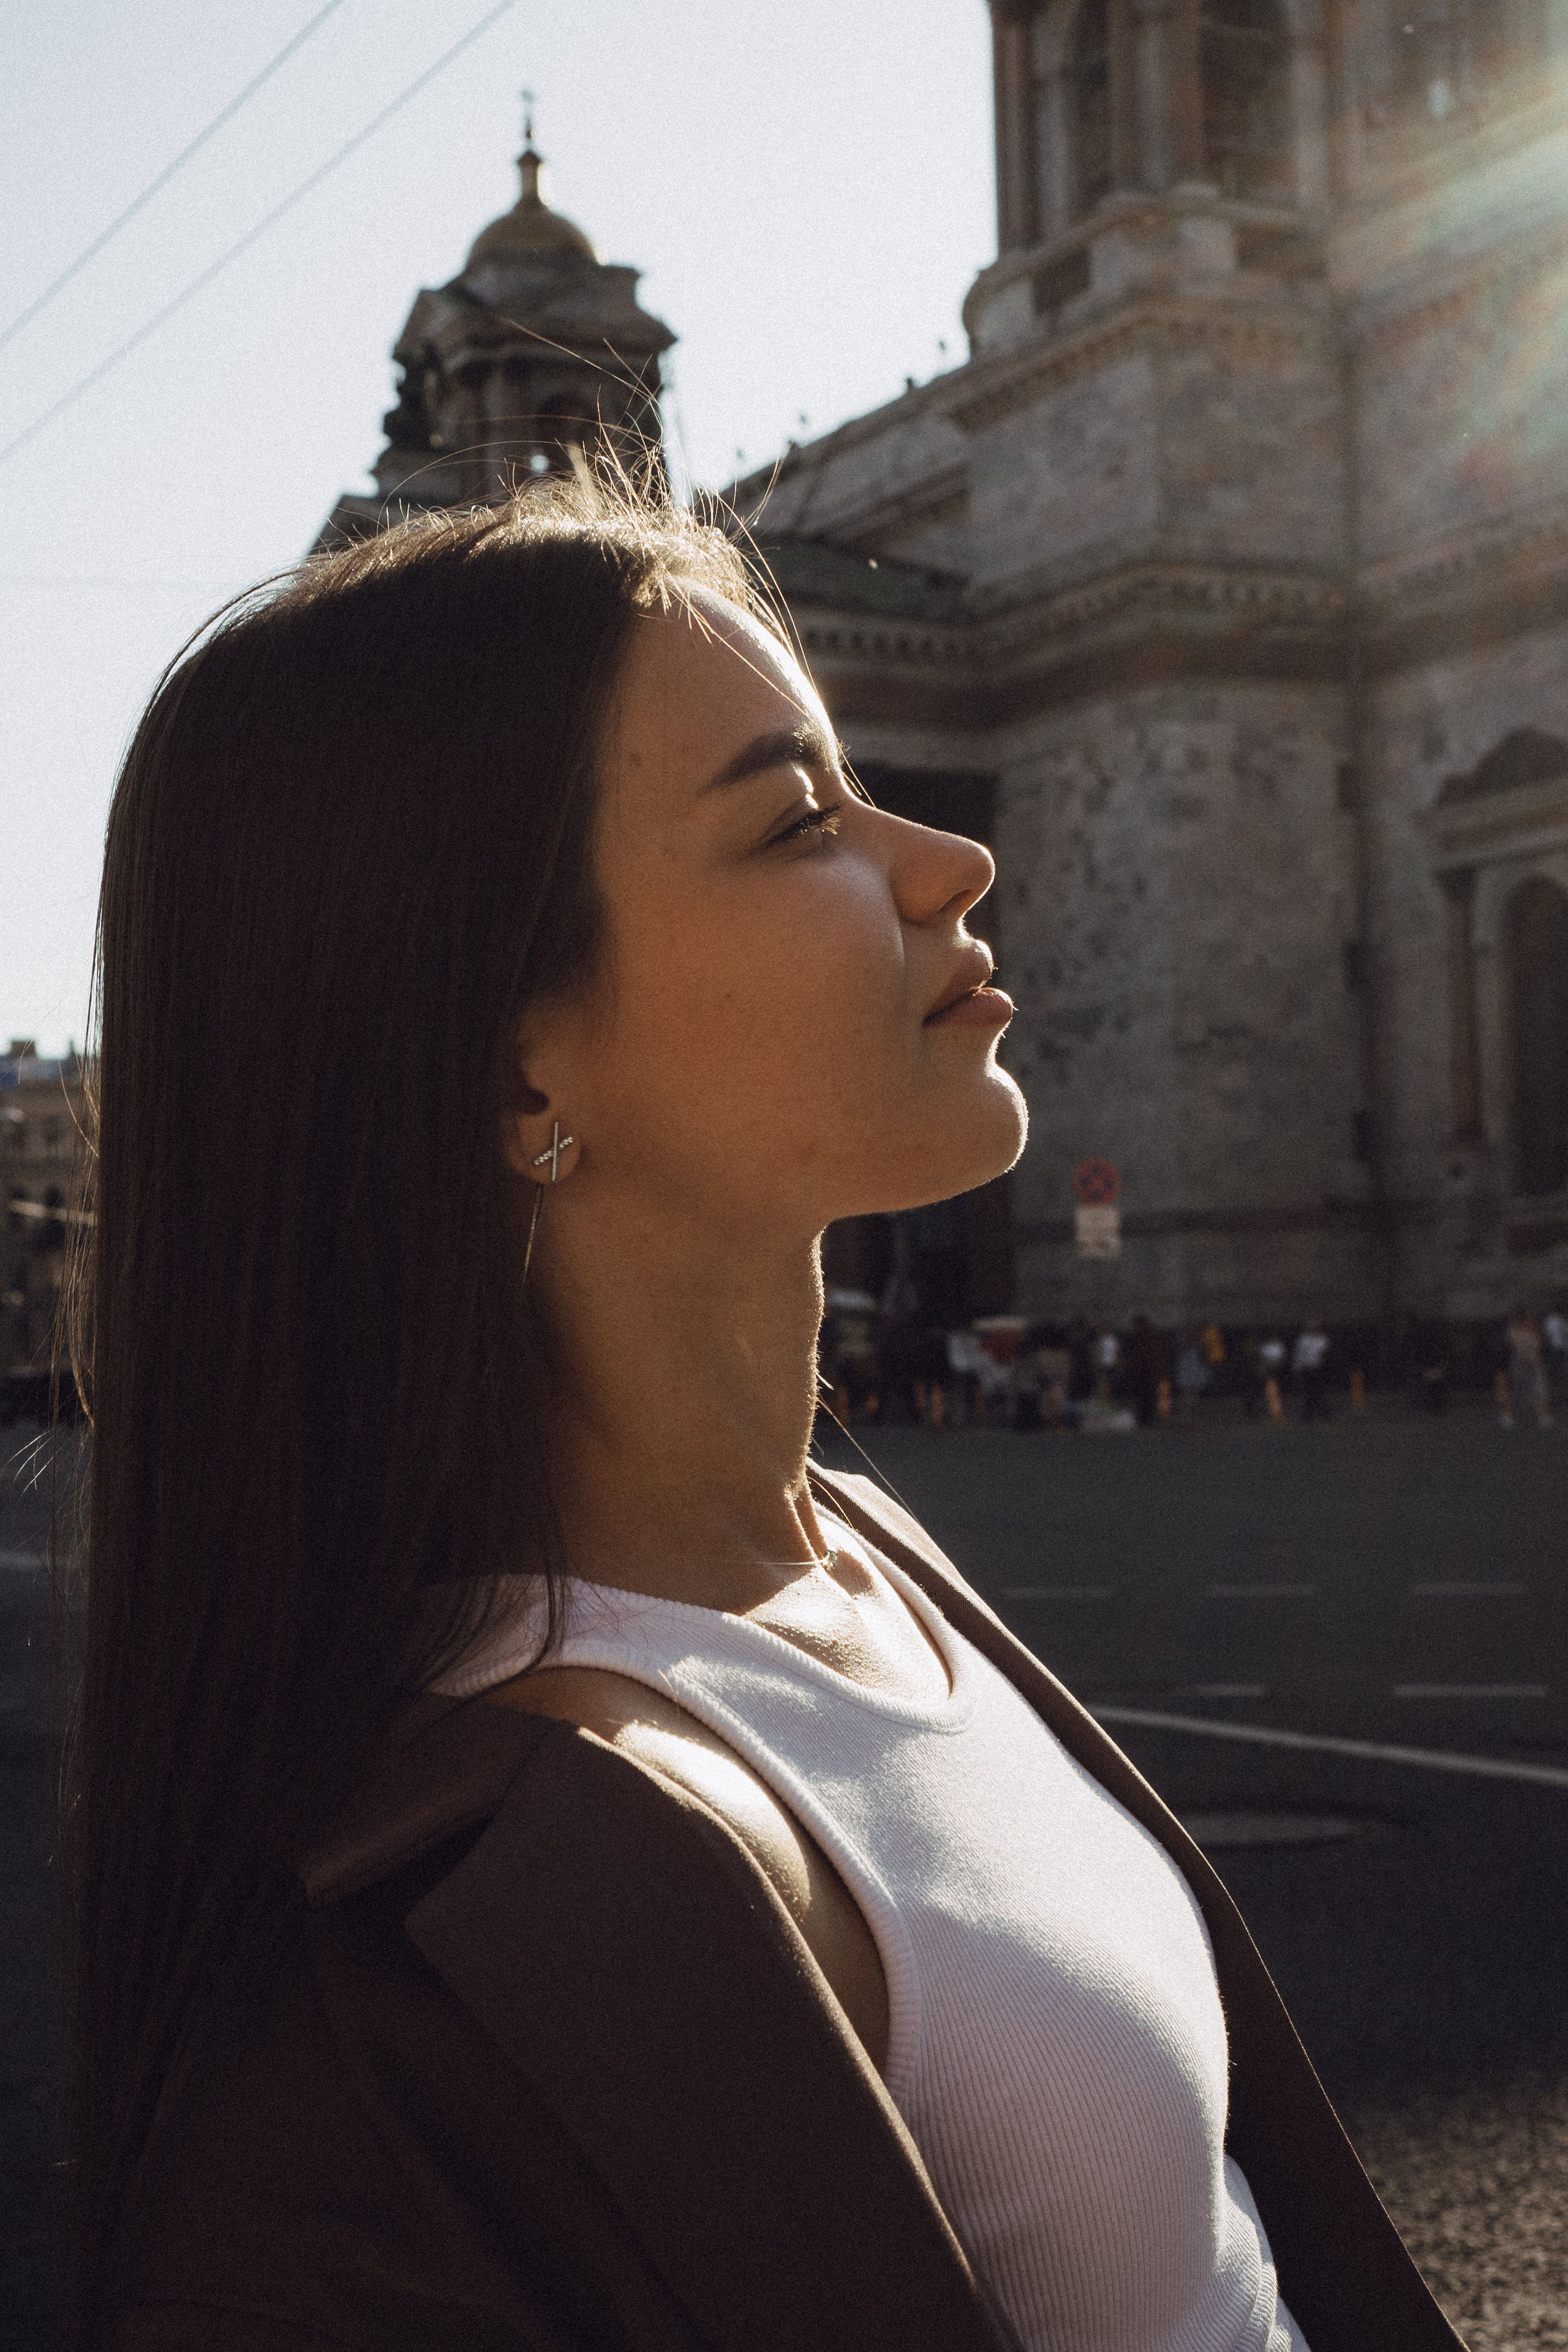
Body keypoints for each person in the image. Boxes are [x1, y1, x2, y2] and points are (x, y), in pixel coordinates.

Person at [61, 480, 1461, 2352]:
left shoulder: (848, 1559)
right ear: (506, 1057)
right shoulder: (529, 1876)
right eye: (796, 817)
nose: (947, 858)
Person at [1506, 1306, 1553, 1430]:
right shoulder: (1515, 1332)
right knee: (1517, 1390)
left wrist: (1534, 1354)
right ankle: (1510, 1416)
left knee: (1540, 1389)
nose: (1531, 1321)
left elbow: (1540, 1345)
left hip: (1536, 1363)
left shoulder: (1535, 1332)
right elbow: (1516, 1347)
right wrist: (1528, 1355)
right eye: (1529, 1319)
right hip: (1520, 1364)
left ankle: (1543, 1416)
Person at [1292, 1322, 1332, 1423]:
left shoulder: (1323, 1339)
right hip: (1307, 1368)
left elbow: (1326, 1353)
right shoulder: (1303, 1339)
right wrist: (1297, 1366)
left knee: (1317, 1392)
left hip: (1318, 1369)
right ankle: (1312, 1415)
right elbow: (1299, 1354)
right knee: (1310, 1392)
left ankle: (1316, 1414)